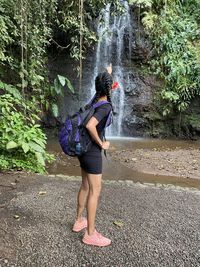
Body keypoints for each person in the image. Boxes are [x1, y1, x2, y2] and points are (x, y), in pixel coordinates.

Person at [72, 64, 114, 247]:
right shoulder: (105, 107)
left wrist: (107, 75)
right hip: (92, 152)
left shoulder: (94, 101)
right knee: (95, 191)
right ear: (109, 88)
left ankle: (79, 221)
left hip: (83, 149)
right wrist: (102, 143)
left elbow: (103, 86)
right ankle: (90, 234)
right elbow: (90, 126)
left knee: (85, 186)